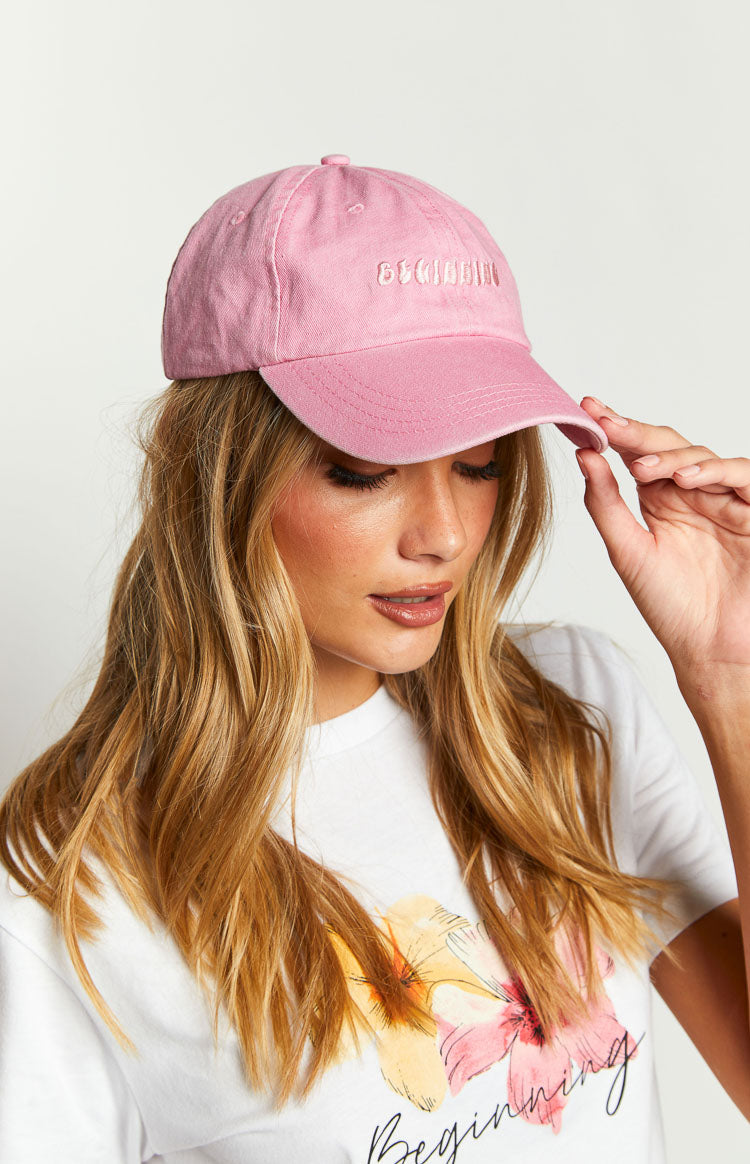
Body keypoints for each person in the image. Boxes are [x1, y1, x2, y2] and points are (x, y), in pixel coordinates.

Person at [0, 153, 747, 1163]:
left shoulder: (574, 710)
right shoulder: (65, 882)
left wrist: (730, 674)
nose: (444, 534)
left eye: (479, 463)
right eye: (365, 472)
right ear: (220, 478)